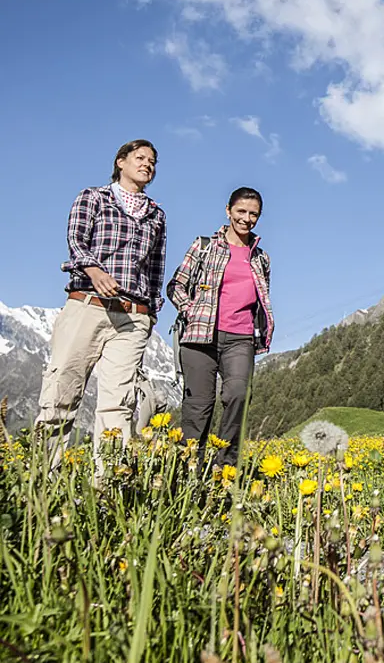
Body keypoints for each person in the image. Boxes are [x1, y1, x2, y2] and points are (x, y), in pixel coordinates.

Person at [35, 139, 167, 472]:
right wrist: (94, 271)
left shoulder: (156, 214)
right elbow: (76, 240)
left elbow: (155, 268)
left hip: (132, 317)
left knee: (118, 404)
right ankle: (43, 481)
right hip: (88, 304)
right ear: (120, 162)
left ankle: (108, 484)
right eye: (140, 158)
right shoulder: (93, 197)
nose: (147, 165)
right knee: (61, 392)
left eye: (153, 161)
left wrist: (150, 310)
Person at [166, 187, 274, 470]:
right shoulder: (204, 246)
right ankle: (189, 471)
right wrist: (190, 309)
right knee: (198, 407)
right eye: (241, 211)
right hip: (200, 337)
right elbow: (176, 285)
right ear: (228, 211)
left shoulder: (261, 258)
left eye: (253, 214)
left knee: (238, 394)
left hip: (240, 338)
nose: (247, 218)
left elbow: (261, 299)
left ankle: (225, 468)